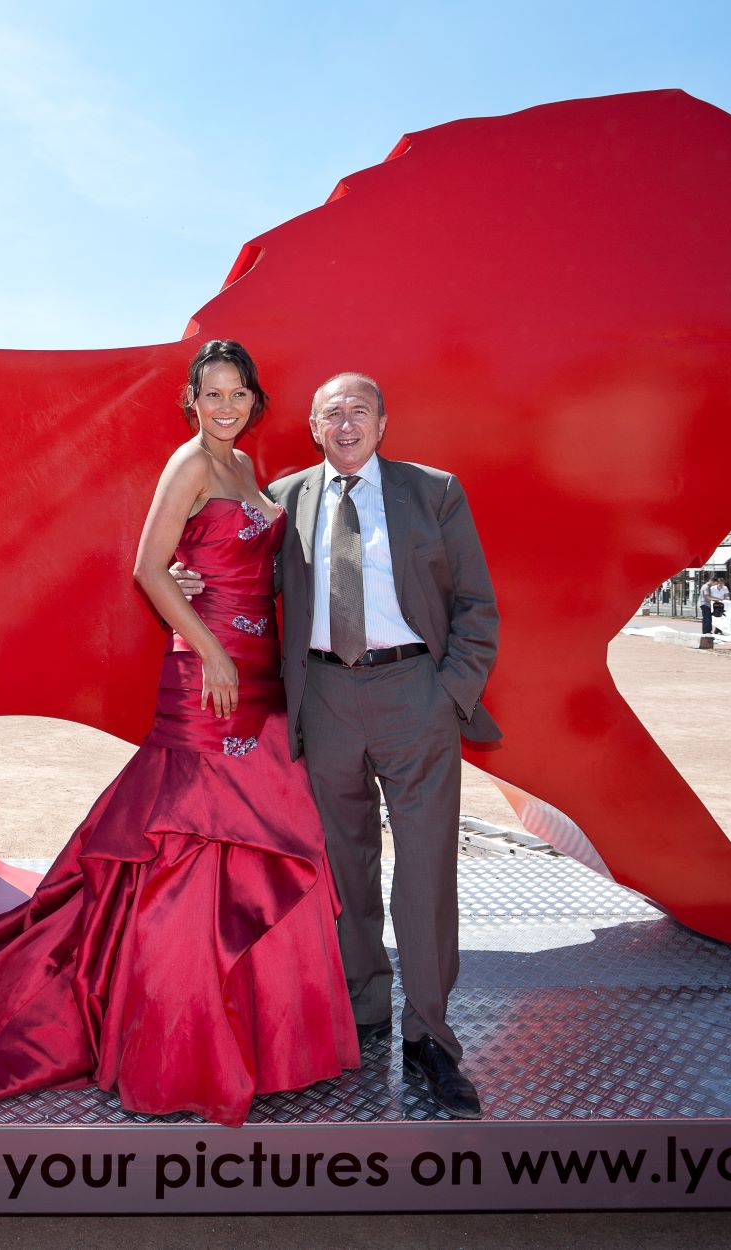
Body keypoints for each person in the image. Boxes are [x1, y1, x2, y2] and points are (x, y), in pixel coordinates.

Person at [0, 340, 358, 1126]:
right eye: (211, 393)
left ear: (254, 398)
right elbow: (147, 567)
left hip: (262, 675)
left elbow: (246, 565)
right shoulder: (191, 465)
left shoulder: (249, 470)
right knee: (186, 846)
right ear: (191, 400)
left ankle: (260, 1036)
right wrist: (207, 646)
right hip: (209, 673)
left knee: (258, 844)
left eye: (238, 391)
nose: (225, 405)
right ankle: (177, 1040)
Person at [262, 372, 500, 1120]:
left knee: (425, 869)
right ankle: (363, 1010)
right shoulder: (283, 498)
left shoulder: (434, 491)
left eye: (359, 409)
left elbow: (475, 603)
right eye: (331, 412)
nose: (345, 422)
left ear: (383, 421)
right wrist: (188, 582)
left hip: (413, 694)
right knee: (344, 867)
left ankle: (429, 1036)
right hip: (326, 697)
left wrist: (449, 691)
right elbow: (239, 579)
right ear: (312, 426)